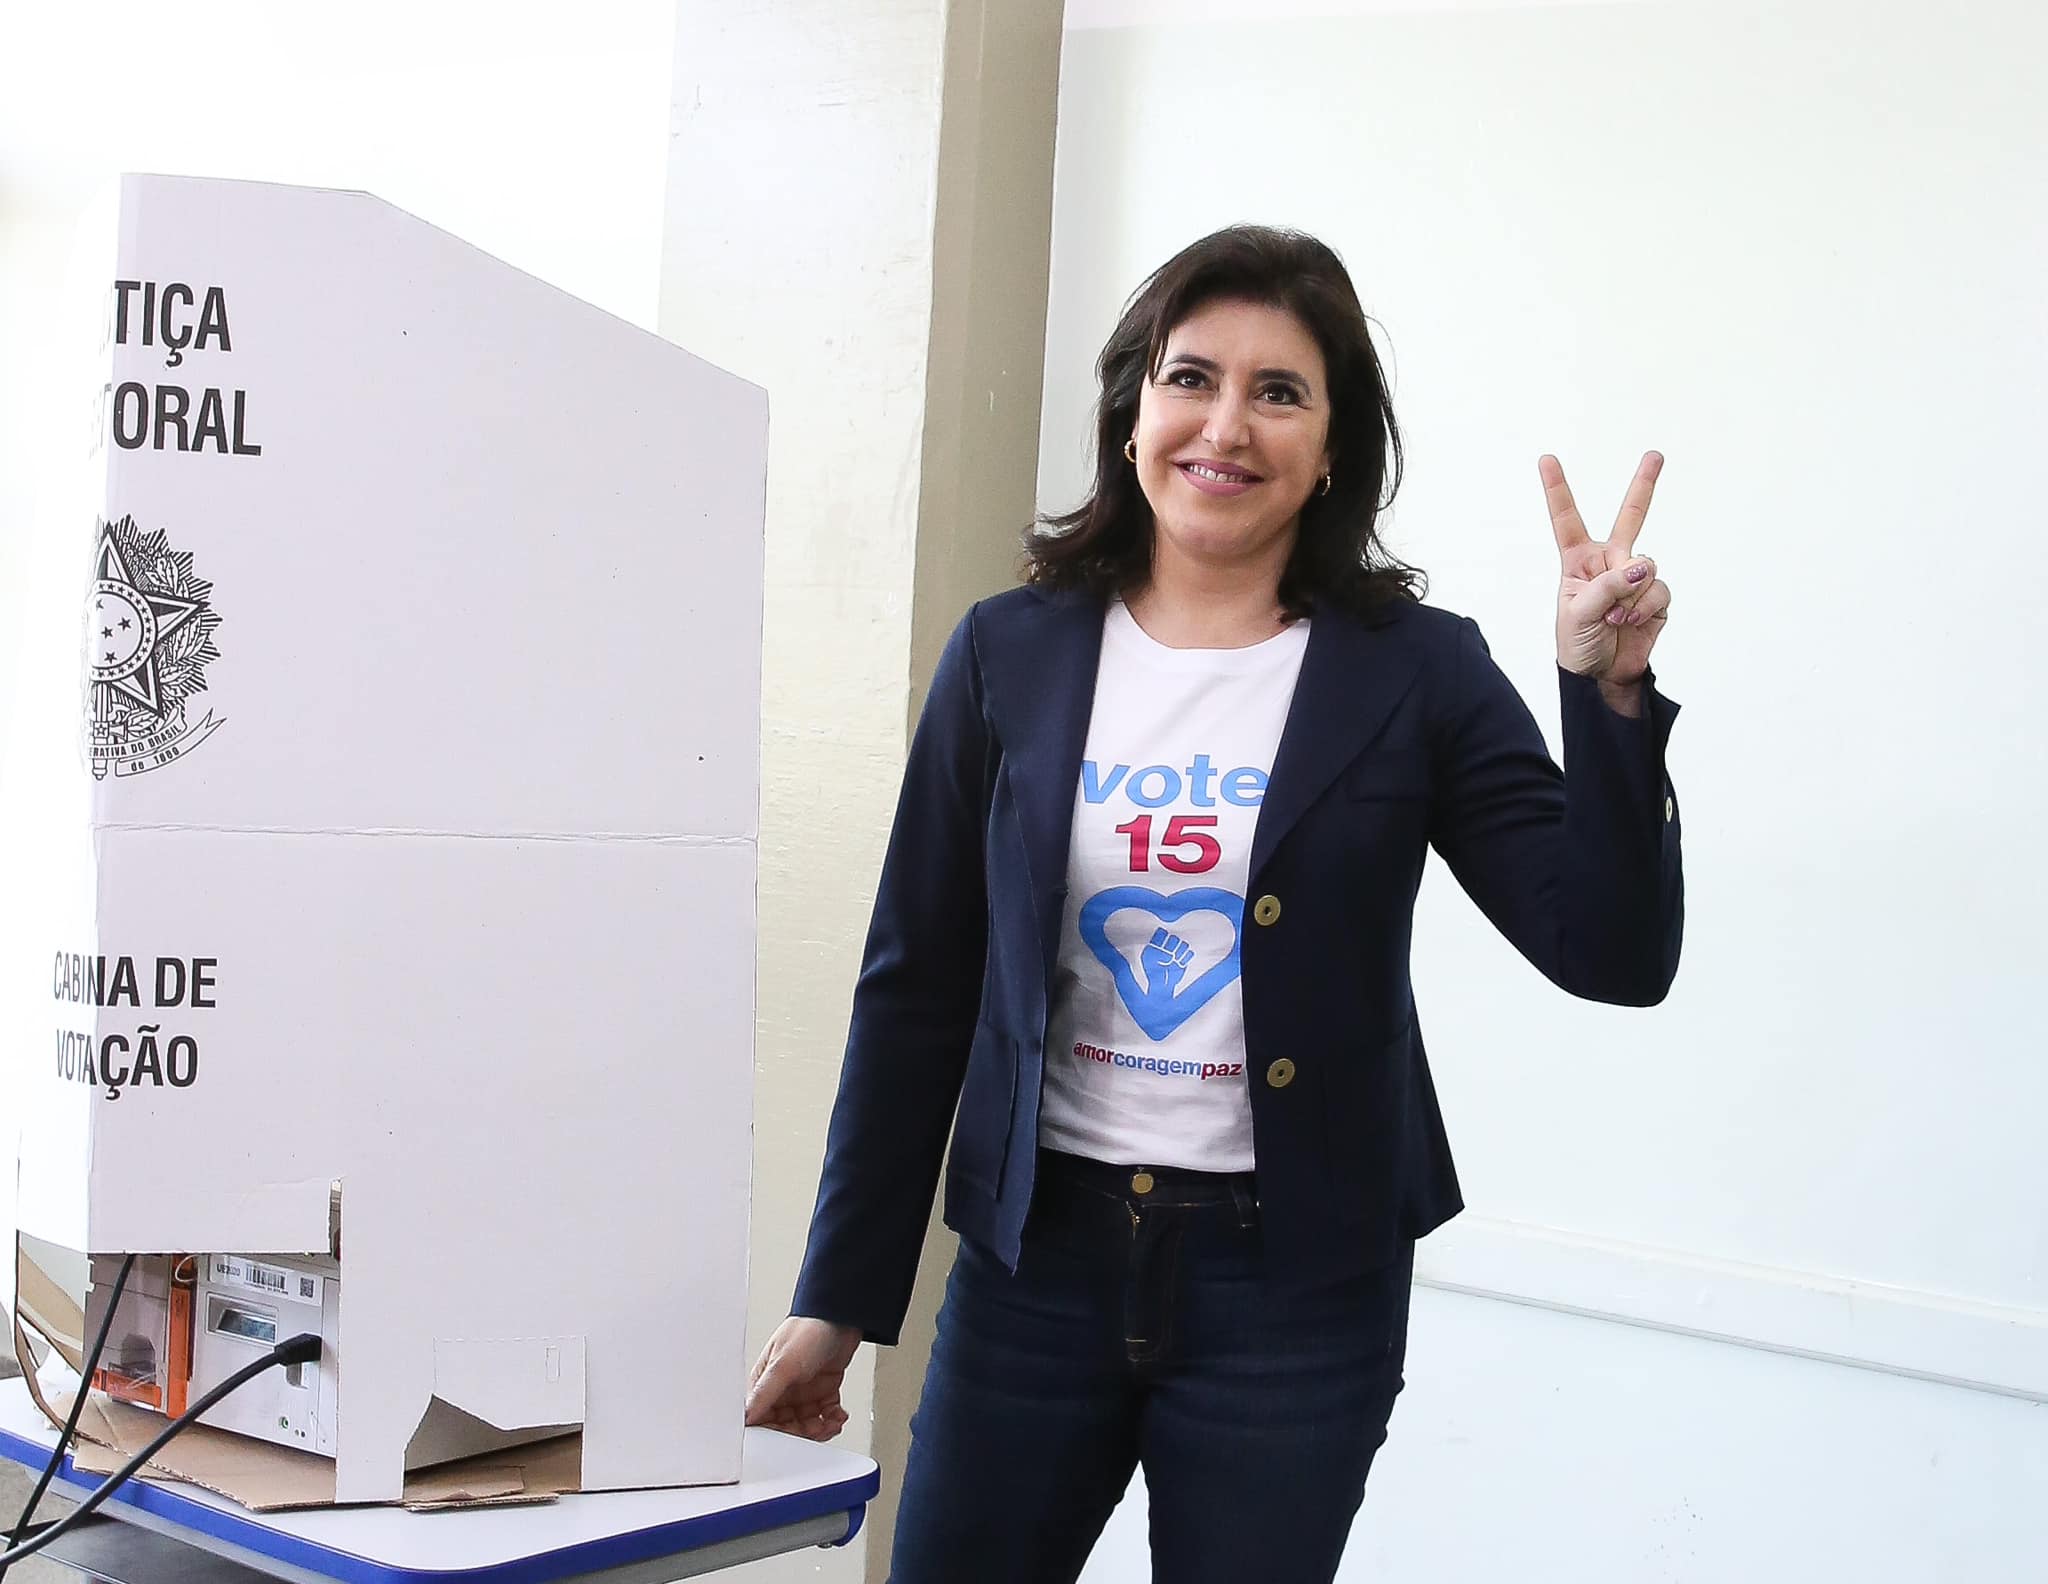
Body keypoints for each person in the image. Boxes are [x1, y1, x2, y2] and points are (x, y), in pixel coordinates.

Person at [745, 224, 1682, 1583]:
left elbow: (1611, 952)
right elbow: (918, 981)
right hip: (1034, 1274)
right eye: (1191, 377)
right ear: (1133, 413)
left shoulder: (1415, 672)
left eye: (1279, 392)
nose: (1226, 425)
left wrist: (1606, 696)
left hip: (1293, 1293)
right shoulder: (1009, 651)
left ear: (1333, 445)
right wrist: (839, 1296)